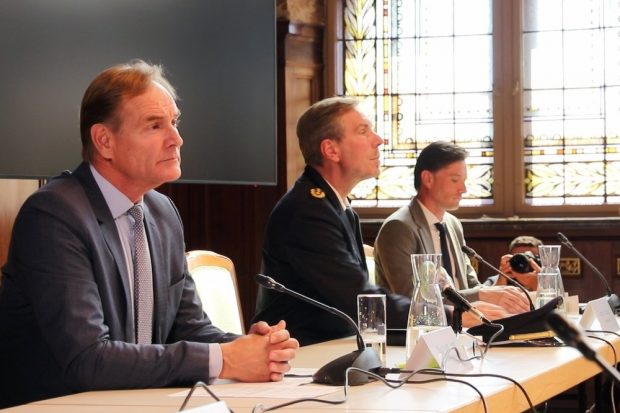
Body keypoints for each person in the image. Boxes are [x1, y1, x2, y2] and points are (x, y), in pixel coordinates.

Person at [0, 60, 298, 408]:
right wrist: (224, 359)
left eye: (174, 122)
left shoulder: (162, 212)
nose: (176, 139)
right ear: (104, 141)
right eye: (155, 126)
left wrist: (250, 348)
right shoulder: (54, 215)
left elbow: (188, 328)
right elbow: (88, 359)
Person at [252, 97, 509, 346]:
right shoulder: (306, 211)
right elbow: (360, 300)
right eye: (363, 131)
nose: (379, 139)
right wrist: (452, 316)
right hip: (304, 356)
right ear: (331, 150)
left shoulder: (335, 206)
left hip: (338, 346)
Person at [373, 141, 530, 315]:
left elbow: (470, 286)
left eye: (464, 181)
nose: (463, 189)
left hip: (465, 328)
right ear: (428, 179)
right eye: (455, 180)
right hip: (420, 334)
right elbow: (413, 299)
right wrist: (483, 294)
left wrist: (499, 287)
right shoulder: (399, 228)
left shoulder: (453, 224)